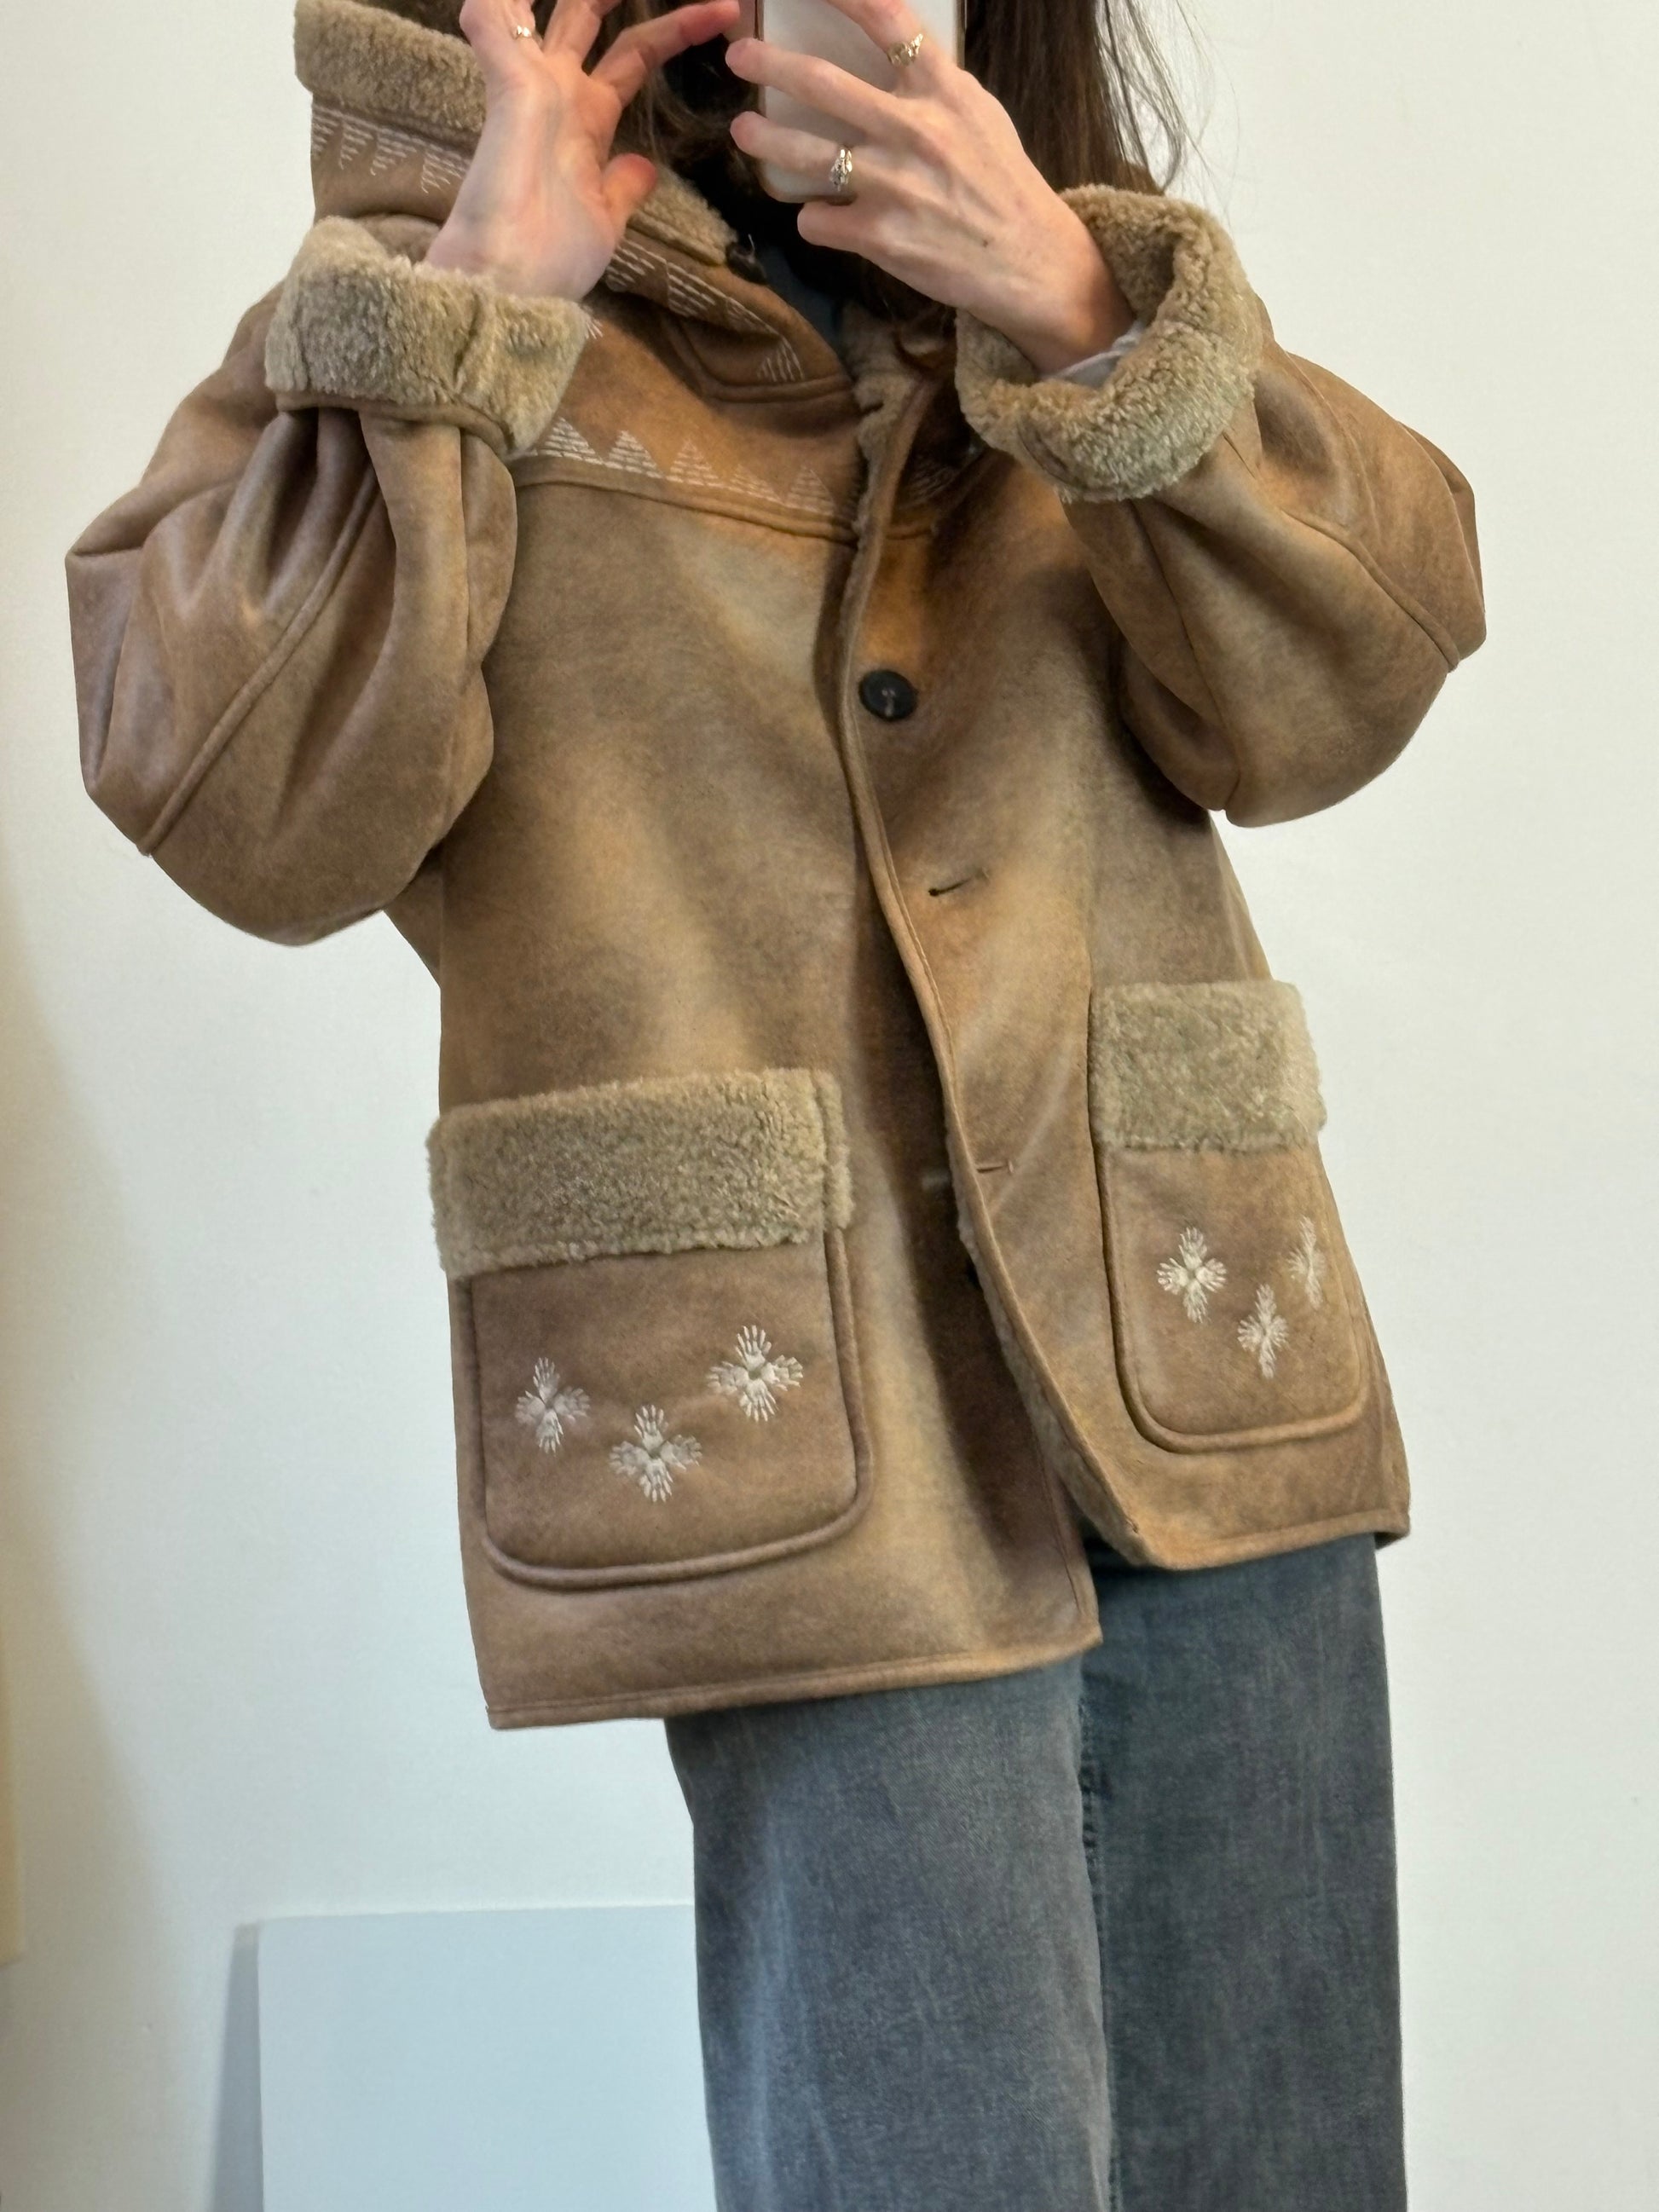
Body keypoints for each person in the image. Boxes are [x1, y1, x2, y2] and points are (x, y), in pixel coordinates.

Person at [63, 0, 1485, 2203]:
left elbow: (1345, 686)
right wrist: (473, 319)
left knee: (1278, 2151)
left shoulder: (1040, 266)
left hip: (1193, 1347)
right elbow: (245, 807)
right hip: (788, 1408)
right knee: (931, 2153)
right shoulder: (435, 272)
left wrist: (1087, 315)